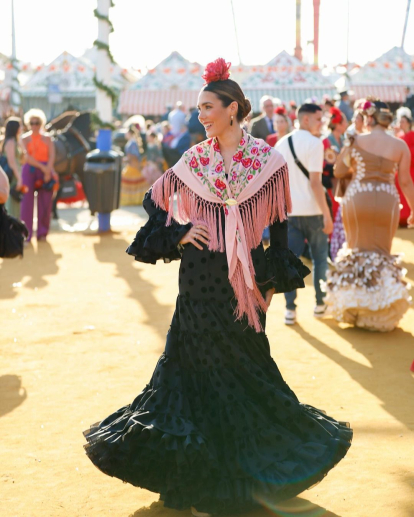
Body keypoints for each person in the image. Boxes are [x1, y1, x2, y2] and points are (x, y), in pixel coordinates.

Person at [83, 58, 352, 517]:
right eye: (199, 107)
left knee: (247, 372)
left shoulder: (267, 161)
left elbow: (278, 229)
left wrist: (269, 285)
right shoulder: (194, 159)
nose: (200, 115)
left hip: (242, 288)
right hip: (197, 283)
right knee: (192, 375)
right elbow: (155, 203)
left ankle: (250, 472)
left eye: (208, 106)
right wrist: (182, 233)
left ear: (233, 109)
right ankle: (199, 477)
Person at [325, 99, 414, 331]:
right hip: (387, 200)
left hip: (358, 199)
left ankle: (355, 309)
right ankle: (379, 312)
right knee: (382, 253)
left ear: (368, 118)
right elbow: (405, 181)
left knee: (356, 250)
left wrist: (354, 160)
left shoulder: (355, 141)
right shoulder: (400, 145)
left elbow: (339, 170)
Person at [276, 103, 333, 325]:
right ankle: (320, 304)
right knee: (319, 259)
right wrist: (327, 215)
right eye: (319, 119)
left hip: (289, 212)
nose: (322, 123)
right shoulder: (315, 143)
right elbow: (316, 184)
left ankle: (290, 309)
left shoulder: (281, 143)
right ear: (306, 119)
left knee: (291, 261)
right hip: (313, 211)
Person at [21, 109, 56, 242]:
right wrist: (43, 168)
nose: (34, 125)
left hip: (45, 169)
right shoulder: (24, 138)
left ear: (41, 123)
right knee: (26, 204)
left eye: (37, 122)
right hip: (30, 169)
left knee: (45, 203)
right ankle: (26, 234)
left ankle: (42, 233)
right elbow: (27, 157)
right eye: (32, 122)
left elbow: (52, 155)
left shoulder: (48, 138)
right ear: (28, 124)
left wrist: (48, 171)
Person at [322, 108, 348, 260]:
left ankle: (341, 244)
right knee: (333, 211)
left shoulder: (345, 140)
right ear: (338, 124)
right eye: (344, 121)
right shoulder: (326, 140)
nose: (345, 124)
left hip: (343, 181)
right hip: (331, 182)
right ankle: (331, 245)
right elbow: (323, 162)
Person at [120, 126, 149, 206]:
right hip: (132, 165)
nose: (125, 134)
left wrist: (126, 160)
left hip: (133, 166)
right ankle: (136, 199)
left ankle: (133, 200)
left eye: (126, 132)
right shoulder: (132, 142)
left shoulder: (132, 143)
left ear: (130, 133)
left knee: (128, 181)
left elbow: (134, 156)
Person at [395, 107, 414, 226]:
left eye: (403, 121)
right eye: (400, 121)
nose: (401, 123)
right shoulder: (399, 136)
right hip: (401, 169)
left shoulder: (411, 135)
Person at [2, 117, 24, 218]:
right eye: (20, 126)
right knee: (11, 201)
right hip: (12, 175)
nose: (22, 128)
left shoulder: (16, 141)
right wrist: (19, 179)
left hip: (16, 174)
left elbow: (24, 159)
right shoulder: (10, 142)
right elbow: (11, 162)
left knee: (16, 201)